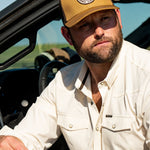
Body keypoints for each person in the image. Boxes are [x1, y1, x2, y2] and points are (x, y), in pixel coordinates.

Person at [0, 0, 150, 149]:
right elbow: (24, 138)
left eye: (105, 18)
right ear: (67, 36)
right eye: (85, 25)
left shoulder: (146, 75)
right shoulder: (63, 82)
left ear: (118, 17)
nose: (99, 31)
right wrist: (8, 142)